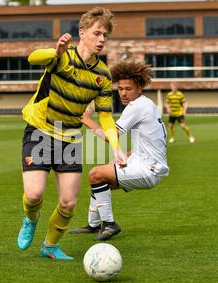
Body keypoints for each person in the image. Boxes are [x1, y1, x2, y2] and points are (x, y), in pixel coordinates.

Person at [16, 7, 126, 260]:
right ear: (82, 33)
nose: (102, 39)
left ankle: (50, 247)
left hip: (69, 138)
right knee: (34, 195)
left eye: (105, 36)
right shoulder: (62, 57)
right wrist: (55, 51)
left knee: (68, 202)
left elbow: (106, 115)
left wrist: (116, 147)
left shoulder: (103, 75)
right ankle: (30, 219)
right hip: (41, 130)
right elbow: (33, 58)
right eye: (97, 33)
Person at [69, 60, 169, 241]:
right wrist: (128, 155)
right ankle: (93, 225)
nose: (123, 93)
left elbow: (110, 136)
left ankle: (109, 224)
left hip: (149, 170)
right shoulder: (147, 104)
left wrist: (85, 119)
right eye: (120, 88)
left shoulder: (136, 106)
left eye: (128, 89)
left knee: (95, 174)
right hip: (147, 164)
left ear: (140, 87)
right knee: (102, 179)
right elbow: (152, 142)